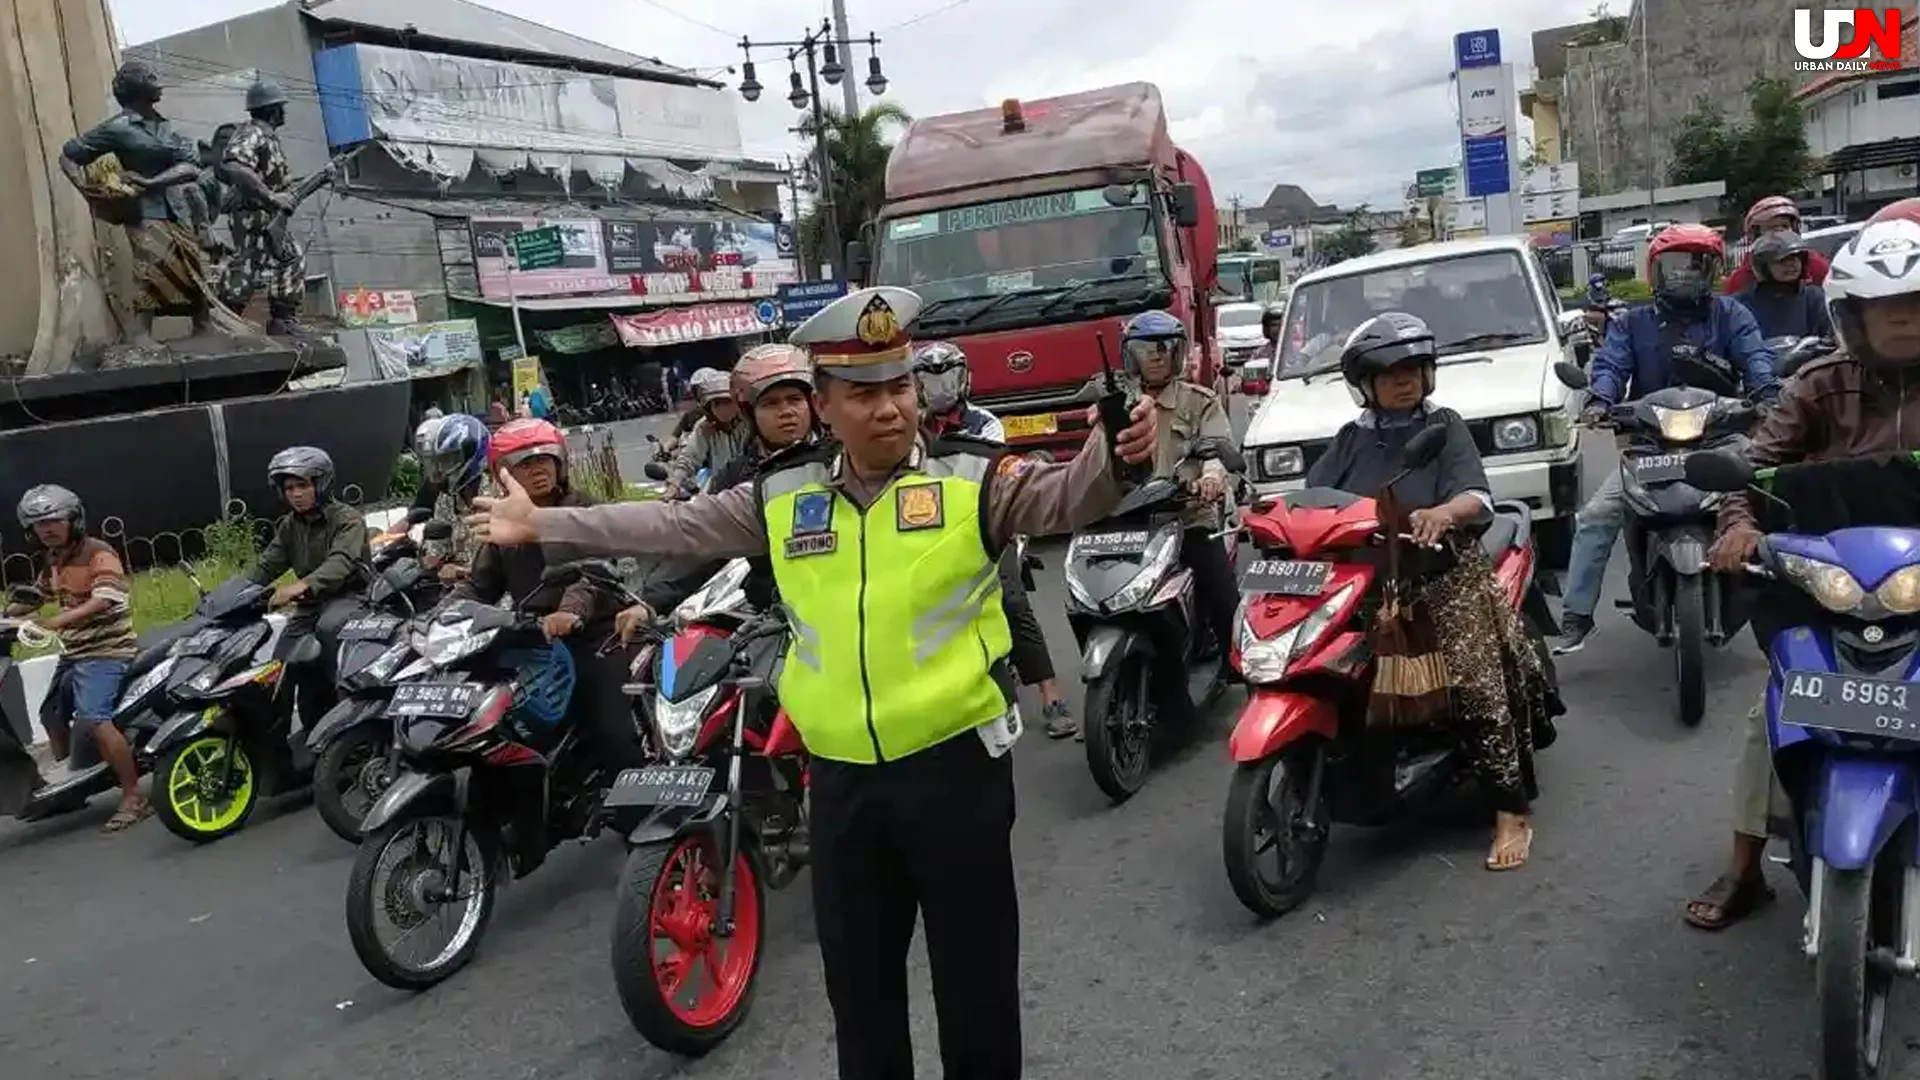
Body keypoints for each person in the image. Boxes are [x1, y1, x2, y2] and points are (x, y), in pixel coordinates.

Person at [466, 285, 1158, 1080]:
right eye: (864, 393)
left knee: (978, 997)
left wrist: (1118, 451)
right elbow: (672, 526)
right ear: (826, 406)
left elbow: (1070, 492)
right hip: (840, 792)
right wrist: (544, 524)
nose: (890, 409)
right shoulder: (783, 493)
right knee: (860, 1004)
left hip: (956, 777)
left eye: (899, 387)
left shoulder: (977, 477)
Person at [1688, 197, 1920, 929]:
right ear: (1852, 317)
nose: (1906, 319)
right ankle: (1744, 869)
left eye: (1916, 304)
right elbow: (1755, 465)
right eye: (1889, 309)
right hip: (1832, 585)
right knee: (1778, 709)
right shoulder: (1818, 384)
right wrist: (1735, 526)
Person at [1305, 313, 1555, 870]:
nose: (1405, 379)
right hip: (1369, 580)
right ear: (1365, 382)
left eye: (1415, 367)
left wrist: (1444, 511)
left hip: (1443, 575)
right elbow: (1314, 494)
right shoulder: (1351, 439)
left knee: (1475, 684)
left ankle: (1510, 813)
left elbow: (1475, 495)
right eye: (1391, 371)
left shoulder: (1445, 425)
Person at [1554, 224, 1780, 652]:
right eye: (1675, 265)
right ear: (1655, 270)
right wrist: (1600, 400)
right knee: (1596, 517)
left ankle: (1802, 600)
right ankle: (1576, 615)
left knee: (1778, 500)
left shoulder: (1730, 315)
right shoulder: (1631, 323)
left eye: (1696, 265)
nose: (1684, 275)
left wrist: (1767, 394)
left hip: (1720, 440)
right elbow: (1610, 366)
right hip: (1651, 446)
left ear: (1713, 270)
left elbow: (1755, 357)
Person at [448, 419, 641, 771]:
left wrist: (569, 612)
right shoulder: (504, 524)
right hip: (530, 637)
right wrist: (443, 616)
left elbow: (591, 572)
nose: (538, 470)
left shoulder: (582, 509)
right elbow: (480, 584)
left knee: (611, 726)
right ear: (503, 474)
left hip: (594, 633)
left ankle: (629, 802)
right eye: (525, 464)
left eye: (544, 459)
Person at [914, 341, 1076, 738]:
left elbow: (979, 475)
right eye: (930, 379)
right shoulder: (910, 427)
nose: (940, 388)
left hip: (983, 526)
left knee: (1012, 602)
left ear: (965, 379)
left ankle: (1051, 695)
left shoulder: (985, 424)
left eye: (948, 377)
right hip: (924, 530)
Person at [620, 345, 823, 633]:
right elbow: (707, 546)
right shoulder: (737, 472)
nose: (787, 412)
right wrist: (650, 602)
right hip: (775, 619)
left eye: (795, 400)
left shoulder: (842, 458)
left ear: (812, 404)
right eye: (771, 404)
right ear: (750, 412)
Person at [1090, 309, 1240, 660]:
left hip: (1188, 518)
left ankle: (1240, 668)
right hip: (1131, 521)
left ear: (1177, 353)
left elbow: (1218, 448)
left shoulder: (1199, 400)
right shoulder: (1117, 403)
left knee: (1223, 597)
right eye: (1146, 349)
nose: (1156, 355)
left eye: (1164, 347)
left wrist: (1210, 479)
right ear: (1131, 356)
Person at [6, 486, 149, 832]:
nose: (47, 529)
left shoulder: (99, 552)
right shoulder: (54, 558)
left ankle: (134, 796)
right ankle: (71, 790)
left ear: (73, 520)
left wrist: (57, 621)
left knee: (96, 719)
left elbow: (105, 598)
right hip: (75, 652)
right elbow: (38, 597)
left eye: (54, 520)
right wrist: (8, 616)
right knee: (50, 713)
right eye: (39, 524)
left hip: (108, 651)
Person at [59, 61, 217, 345]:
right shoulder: (118, 128)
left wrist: (153, 183)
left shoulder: (166, 127)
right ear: (136, 88)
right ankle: (141, 334)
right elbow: (69, 155)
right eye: (151, 77)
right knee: (153, 266)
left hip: (175, 208)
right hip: (143, 211)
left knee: (191, 266)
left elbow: (191, 167)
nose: (159, 82)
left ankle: (204, 325)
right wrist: (86, 190)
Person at [248, 447, 370, 735]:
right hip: (310, 605)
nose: (295, 494)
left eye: (302, 485)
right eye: (289, 488)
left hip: (351, 598)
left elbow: (341, 562)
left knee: (329, 630)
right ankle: (275, 747)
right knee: (281, 667)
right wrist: (234, 594)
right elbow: (267, 565)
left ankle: (349, 718)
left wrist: (301, 585)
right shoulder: (290, 526)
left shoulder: (347, 519)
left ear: (321, 483)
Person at [220, 77, 305, 334]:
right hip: (253, 214)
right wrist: (270, 196)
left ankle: (281, 319)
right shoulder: (252, 132)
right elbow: (234, 164)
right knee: (247, 267)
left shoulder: (267, 136)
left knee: (287, 257)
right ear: (272, 109)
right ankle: (222, 319)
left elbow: (268, 173)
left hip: (264, 214)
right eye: (281, 107)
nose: (284, 112)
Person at [393, 413, 491, 577]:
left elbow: (508, 565)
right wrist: (429, 560)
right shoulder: (446, 499)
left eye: (447, 461)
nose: (439, 471)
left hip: (498, 594)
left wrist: (464, 572)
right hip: (456, 591)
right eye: (436, 462)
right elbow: (437, 549)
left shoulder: (499, 498)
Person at [1732, 229, 1833, 341]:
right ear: (1764, 266)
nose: (1791, 264)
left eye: (1795, 258)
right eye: (1782, 260)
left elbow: (1830, 339)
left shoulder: (1813, 298)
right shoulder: (1741, 303)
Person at [1722, 195, 1833, 295]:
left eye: (1784, 226)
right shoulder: (1742, 278)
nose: (1780, 233)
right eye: (1772, 228)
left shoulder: (1814, 264)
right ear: (1755, 234)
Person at [664, 367, 749, 496]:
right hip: (720, 490)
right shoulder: (703, 428)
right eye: (716, 404)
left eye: (727, 402)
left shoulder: (750, 423)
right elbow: (689, 457)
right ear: (708, 407)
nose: (723, 409)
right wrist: (674, 483)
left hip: (752, 486)